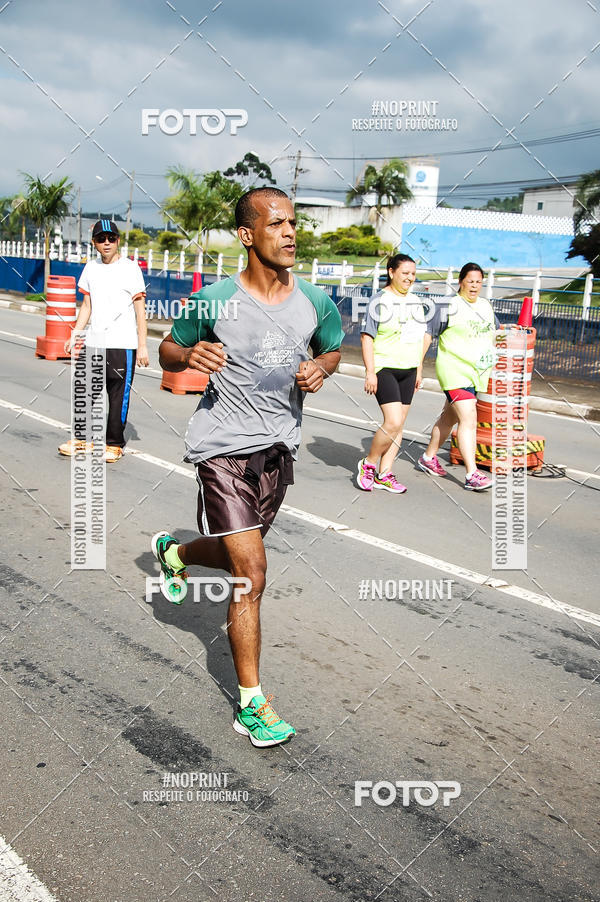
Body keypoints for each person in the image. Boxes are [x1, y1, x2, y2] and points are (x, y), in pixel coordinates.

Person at [153, 187, 343, 748]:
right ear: (247, 234)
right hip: (222, 449)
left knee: (243, 549)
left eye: (293, 224)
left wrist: (322, 369)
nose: (289, 233)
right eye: (277, 223)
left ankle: (177, 552)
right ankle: (252, 705)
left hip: (278, 453)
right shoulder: (214, 300)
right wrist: (189, 356)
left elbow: (334, 348)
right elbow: (166, 347)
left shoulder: (315, 301)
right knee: (251, 574)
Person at [58, 219, 149, 462]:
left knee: (118, 396)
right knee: (86, 392)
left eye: (111, 238)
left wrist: (142, 345)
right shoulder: (91, 268)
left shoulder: (130, 269)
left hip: (123, 344)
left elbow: (140, 309)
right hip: (94, 342)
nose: (106, 243)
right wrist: (75, 332)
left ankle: (114, 444)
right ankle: (81, 439)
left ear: (118, 240)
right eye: (101, 239)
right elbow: (87, 305)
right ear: (94, 243)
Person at [418, 262, 497, 491]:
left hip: (476, 373)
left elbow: (494, 331)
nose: (474, 286)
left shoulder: (485, 306)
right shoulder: (448, 305)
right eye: (470, 281)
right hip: (454, 370)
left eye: (478, 282)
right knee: (469, 419)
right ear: (461, 281)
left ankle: (428, 457)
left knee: (449, 418)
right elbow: (427, 335)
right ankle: (472, 474)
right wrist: (419, 366)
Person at [356, 253, 429, 494]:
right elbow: (367, 337)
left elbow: (421, 338)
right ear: (391, 272)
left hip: (408, 369)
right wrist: (370, 372)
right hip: (385, 367)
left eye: (413, 274)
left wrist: (418, 369)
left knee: (400, 426)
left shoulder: (417, 302)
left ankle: (385, 473)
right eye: (405, 273)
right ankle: (368, 463)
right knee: (393, 421)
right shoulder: (380, 300)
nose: (410, 278)